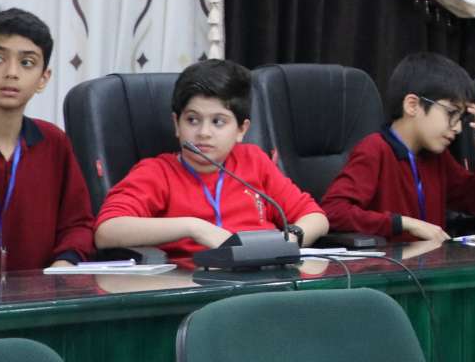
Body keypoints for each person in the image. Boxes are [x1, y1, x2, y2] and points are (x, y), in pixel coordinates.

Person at [94, 59, 329, 261]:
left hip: (265, 277)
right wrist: (193, 227)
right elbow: (107, 231)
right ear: (177, 124)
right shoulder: (157, 172)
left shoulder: (253, 161)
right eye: (193, 120)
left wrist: (289, 241)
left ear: (241, 130)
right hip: (193, 283)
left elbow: (316, 217)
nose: (204, 133)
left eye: (218, 122)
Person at [0, 9, 93, 274]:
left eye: (27, 63)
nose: (11, 72)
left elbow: (78, 223)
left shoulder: (53, 143)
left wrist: (64, 263)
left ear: (43, 79)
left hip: (39, 294)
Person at [321, 52, 475, 241]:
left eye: (461, 118)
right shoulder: (375, 149)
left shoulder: (437, 157)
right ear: (412, 105)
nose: (458, 128)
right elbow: (333, 211)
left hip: (433, 258)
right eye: (451, 113)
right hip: (391, 259)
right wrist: (403, 223)